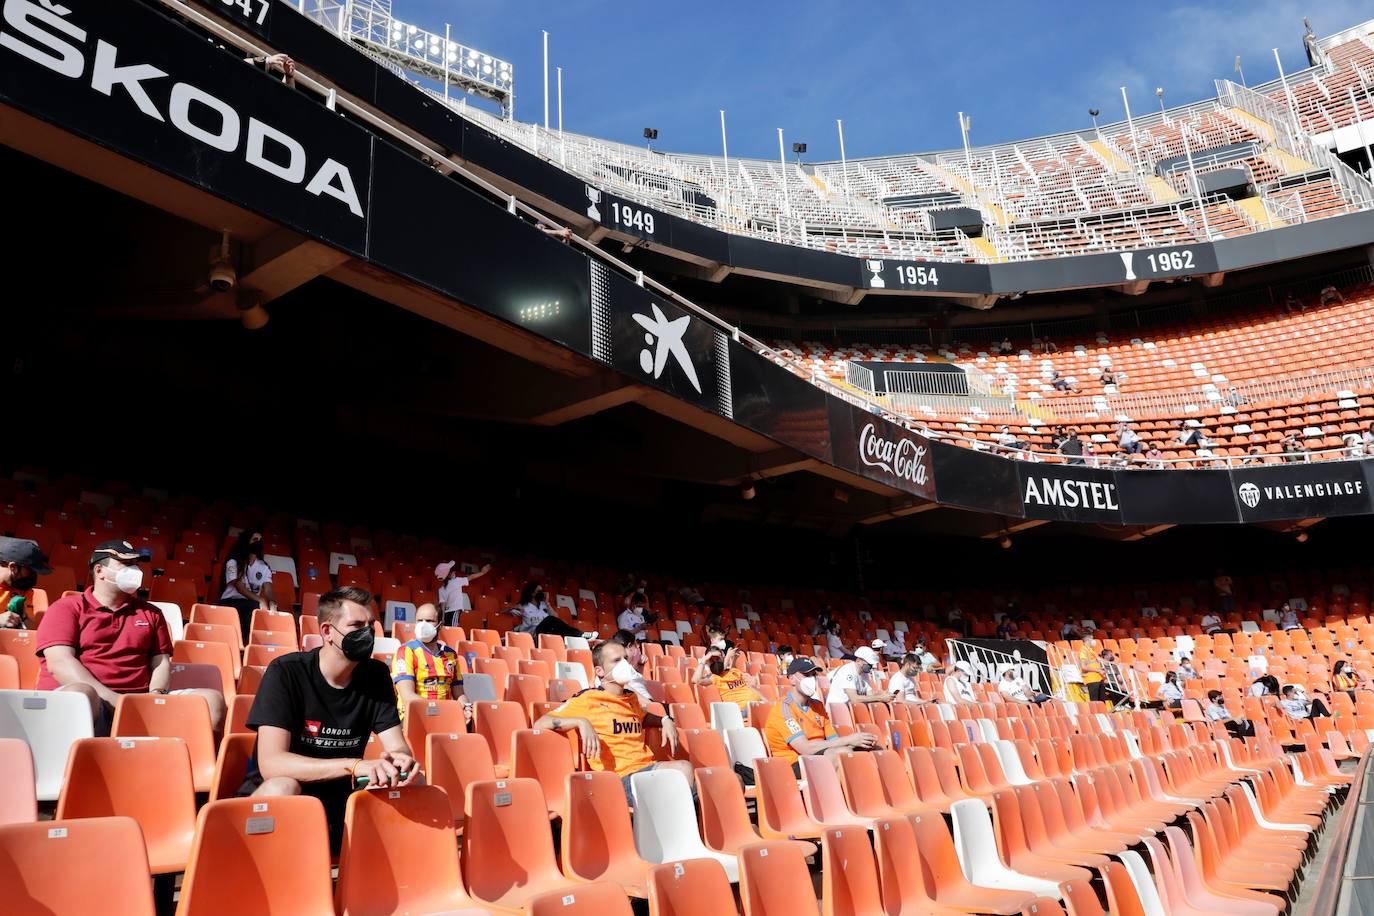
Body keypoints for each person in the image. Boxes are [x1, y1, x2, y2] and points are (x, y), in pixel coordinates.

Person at [241, 586, 417, 852]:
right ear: (327, 632)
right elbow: (272, 764)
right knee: (283, 786)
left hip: (343, 795)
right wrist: (354, 765)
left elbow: (397, 745)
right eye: (356, 625)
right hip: (287, 797)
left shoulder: (376, 675)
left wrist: (400, 760)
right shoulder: (286, 673)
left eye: (371, 625)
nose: (367, 633)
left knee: (416, 782)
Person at [35, 540, 227, 736]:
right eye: (125, 564)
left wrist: (155, 696)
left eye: (135, 564)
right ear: (100, 571)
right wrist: (112, 699)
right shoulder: (66, 608)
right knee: (81, 696)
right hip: (93, 700)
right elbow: (59, 663)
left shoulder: (151, 613)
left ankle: (189, 764)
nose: (135, 570)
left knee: (210, 701)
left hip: (138, 701)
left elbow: (160, 662)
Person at [534, 639, 688, 804]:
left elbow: (643, 717)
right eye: (616, 661)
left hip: (646, 770)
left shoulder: (631, 697)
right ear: (600, 671)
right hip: (618, 779)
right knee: (682, 771)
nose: (624, 665)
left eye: (625, 659)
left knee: (695, 784)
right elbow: (541, 723)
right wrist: (580, 721)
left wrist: (665, 720)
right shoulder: (588, 698)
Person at [763, 657, 877, 773]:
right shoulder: (784, 709)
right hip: (791, 764)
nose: (811, 679)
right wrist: (849, 739)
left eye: (813, 675)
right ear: (792, 679)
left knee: (868, 749)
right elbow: (805, 748)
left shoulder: (817, 705)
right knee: (842, 753)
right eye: (806, 675)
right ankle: (839, 791)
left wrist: (856, 742)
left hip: (818, 754)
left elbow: (833, 739)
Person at [391, 602, 468, 722]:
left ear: (440, 625)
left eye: (429, 620)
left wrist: (466, 708)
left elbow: (459, 694)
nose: (423, 625)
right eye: (419, 620)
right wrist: (441, 711)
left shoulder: (451, 655)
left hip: (445, 717)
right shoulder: (405, 651)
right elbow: (407, 696)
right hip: (415, 717)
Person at [218, 529, 276, 640]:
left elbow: (268, 589)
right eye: (255, 539)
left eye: (260, 540)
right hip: (230, 602)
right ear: (246, 542)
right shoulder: (233, 562)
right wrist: (260, 600)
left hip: (251, 604)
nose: (258, 542)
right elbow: (239, 587)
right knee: (254, 608)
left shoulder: (264, 566)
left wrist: (272, 603)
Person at [694, 644, 762, 712]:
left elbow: (732, 673)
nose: (716, 660)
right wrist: (704, 660)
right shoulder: (713, 677)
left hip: (757, 704)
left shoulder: (732, 670)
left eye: (718, 657)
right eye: (713, 659)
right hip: (742, 710)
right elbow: (697, 680)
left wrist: (734, 659)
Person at [0, 537, 50, 628]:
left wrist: (24, 618)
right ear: (13, 567)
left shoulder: (24, 589)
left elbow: (31, 629)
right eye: (31, 571)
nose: (33, 576)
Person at [508, 580, 582, 638]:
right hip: (534, 633)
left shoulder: (544, 605)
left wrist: (547, 603)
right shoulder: (523, 606)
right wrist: (511, 607)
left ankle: (578, 636)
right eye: (539, 591)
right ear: (532, 593)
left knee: (555, 626)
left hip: (547, 632)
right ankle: (579, 634)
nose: (541, 593)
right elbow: (500, 612)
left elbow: (556, 617)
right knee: (549, 619)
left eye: (542, 591)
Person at [826, 647, 892, 706]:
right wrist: (880, 698)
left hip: (851, 709)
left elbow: (869, 695)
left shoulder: (865, 673)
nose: (870, 666)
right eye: (868, 663)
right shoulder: (848, 671)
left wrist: (884, 695)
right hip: (838, 709)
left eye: (871, 664)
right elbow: (854, 699)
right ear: (858, 660)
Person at [607, 629, 653, 705]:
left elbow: (638, 684)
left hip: (643, 705)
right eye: (636, 645)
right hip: (642, 706)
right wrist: (651, 705)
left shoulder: (625, 667)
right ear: (629, 646)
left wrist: (640, 666)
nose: (638, 648)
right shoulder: (619, 668)